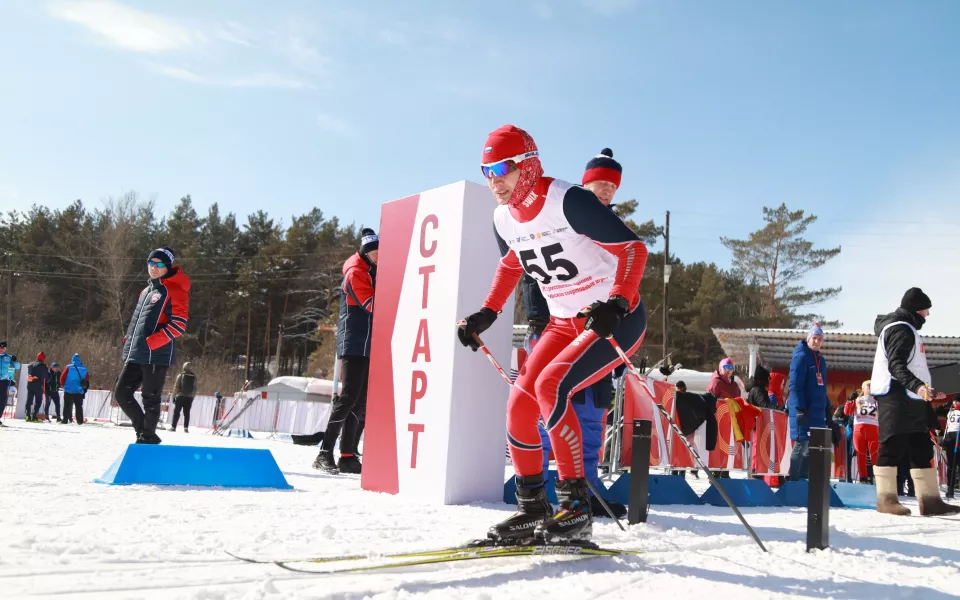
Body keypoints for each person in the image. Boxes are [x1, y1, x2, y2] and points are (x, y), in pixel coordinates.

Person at [458, 125, 647, 544]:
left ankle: (576, 508)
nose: (495, 180)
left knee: (550, 385)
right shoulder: (502, 217)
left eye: (503, 168)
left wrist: (616, 303)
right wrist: (487, 312)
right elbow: (512, 263)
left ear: (527, 165)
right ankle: (532, 509)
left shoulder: (568, 201)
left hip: (616, 318)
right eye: (486, 170)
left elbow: (634, 249)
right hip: (564, 322)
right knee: (518, 406)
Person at [527, 147, 628, 518]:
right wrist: (540, 321)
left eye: (611, 186)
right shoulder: (560, 214)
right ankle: (536, 488)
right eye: (598, 183)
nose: (604, 191)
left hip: (600, 331)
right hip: (557, 327)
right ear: (585, 183)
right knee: (545, 406)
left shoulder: (616, 228)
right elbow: (532, 268)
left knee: (591, 413)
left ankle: (587, 491)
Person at [870, 287, 960, 516]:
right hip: (895, 396)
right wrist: (918, 387)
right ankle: (886, 500)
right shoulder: (900, 330)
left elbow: (912, 366)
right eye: (924, 310)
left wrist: (929, 391)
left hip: (911, 397)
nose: (927, 315)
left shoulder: (907, 328)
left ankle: (929, 501)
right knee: (891, 444)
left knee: (921, 447)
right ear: (914, 310)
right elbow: (896, 365)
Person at [313, 229, 378, 475]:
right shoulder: (356, 273)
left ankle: (348, 455)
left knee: (361, 401)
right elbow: (372, 304)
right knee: (348, 397)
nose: (378, 255)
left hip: (369, 342)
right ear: (365, 252)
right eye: (374, 251)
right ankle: (324, 452)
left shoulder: (372, 270)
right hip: (354, 341)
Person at [115, 247, 191, 444]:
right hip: (137, 352)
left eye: (158, 264)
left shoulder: (175, 290)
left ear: (167, 267)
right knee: (122, 393)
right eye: (150, 263)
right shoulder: (146, 291)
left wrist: (153, 342)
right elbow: (137, 322)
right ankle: (145, 433)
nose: (153, 268)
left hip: (156, 355)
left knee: (150, 398)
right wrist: (129, 341)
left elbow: (179, 324)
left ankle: (145, 436)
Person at [788, 324, 829, 481]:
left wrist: (827, 408)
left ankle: (804, 480)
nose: (817, 342)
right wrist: (800, 408)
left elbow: (822, 387)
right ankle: (793, 480)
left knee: (811, 447)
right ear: (808, 338)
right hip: (804, 409)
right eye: (815, 338)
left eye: (820, 339)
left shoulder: (820, 360)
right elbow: (795, 386)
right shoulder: (801, 357)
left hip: (817, 412)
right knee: (801, 443)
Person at [707, 358, 741, 478]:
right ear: (721, 368)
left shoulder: (734, 385)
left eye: (730, 368)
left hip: (730, 421)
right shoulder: (716, 382)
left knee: (728, 445)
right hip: (718, 419)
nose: (728, 371)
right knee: (717, 446)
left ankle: (725, 471)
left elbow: (738, 401)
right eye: (725, 368)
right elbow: (710, 399)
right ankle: (715, 472)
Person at [843, 381, 879, 483]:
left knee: (875, 454)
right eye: (868, 387)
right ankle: (863, 478)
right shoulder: (858, 399)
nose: (870, 389)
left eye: (872, 387)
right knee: (861, 454)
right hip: (859, 429)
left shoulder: (878, 400)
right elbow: (847, 412)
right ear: (863, 388)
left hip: (873, 428)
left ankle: (877, 476)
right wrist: (849, 401)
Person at [940, 397, 960, 499]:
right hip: (950, 438)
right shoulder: (950, 411)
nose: (955, 403)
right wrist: (946, 404)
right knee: (951, 466)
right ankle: (950, 489)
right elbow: (936, 412)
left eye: (957, 401)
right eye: (954, 401)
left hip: (958, 437)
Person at [60, 353, 89, 424]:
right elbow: (87, 378)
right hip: (79, 390)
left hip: (69, 389)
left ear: (72, 359)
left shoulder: (69, 367)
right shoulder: (84, 368)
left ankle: (65, 420)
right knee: (79, 406)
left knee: (67, 405)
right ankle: (80, 421)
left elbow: (62, 377)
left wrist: (64, 385)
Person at [171, 362, 197, 432]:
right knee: (187, 413)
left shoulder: (180, 375)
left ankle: (173, 427)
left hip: (180, 396)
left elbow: (176, 386)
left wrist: (174, 396)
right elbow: (195, 388)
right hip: (189, 398)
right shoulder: (194, 377)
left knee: (177, 412)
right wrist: (192, 397)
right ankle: (186, 428)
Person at [0, 341, 20, 426]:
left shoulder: (8, 357)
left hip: (4, 381)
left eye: (3, 348)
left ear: (5, 348)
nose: (1, 349)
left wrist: (15, 361)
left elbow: (17, 367)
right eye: (0, 347)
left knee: (2, 401)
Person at [25, 352, 49, 422]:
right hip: (38, 385)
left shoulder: (30, 364)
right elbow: (46, 376)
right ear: (43, 358)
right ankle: (34, 416)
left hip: (30, 384)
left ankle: (27, 416)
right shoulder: (42, 365)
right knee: (38, 401)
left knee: (29, 400)